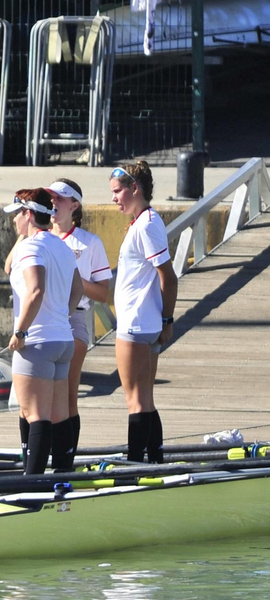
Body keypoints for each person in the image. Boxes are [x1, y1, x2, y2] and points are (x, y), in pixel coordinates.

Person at [4, 188, 84, 474]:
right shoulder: (61, 246)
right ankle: (62, 478)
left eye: (17, 214)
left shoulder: (30, 248)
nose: (14, 220)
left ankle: (32, 483)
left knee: (33, 414)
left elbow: (35, 290)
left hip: (36, 342)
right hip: (62, 340)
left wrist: (20, 332)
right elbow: (78, 289)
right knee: (59, 415)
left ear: (28, 214)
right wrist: (62, 315)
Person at [111, 160, 178, 463]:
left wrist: (167, 319)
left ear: (134, 189)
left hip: (136, 324)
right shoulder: (145, 221)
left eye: (117, 191)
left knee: (135, 401)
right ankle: (155, 461)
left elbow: (169, 277)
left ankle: (135, 465)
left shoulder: (148, 224)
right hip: (144, 322)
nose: (114, 198)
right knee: (146, 399)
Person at [48, 178, 112, 461]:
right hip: (44, 318)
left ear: (74, 205)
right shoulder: (40, 237)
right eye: (50, 198)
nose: (53, 203)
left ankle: (66, 459)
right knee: (42, 396)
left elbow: (103, 293)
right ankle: (44, 455)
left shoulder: (90, 242)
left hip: (74, 318)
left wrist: (73, 277)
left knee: (67, 394)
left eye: (59, 198)